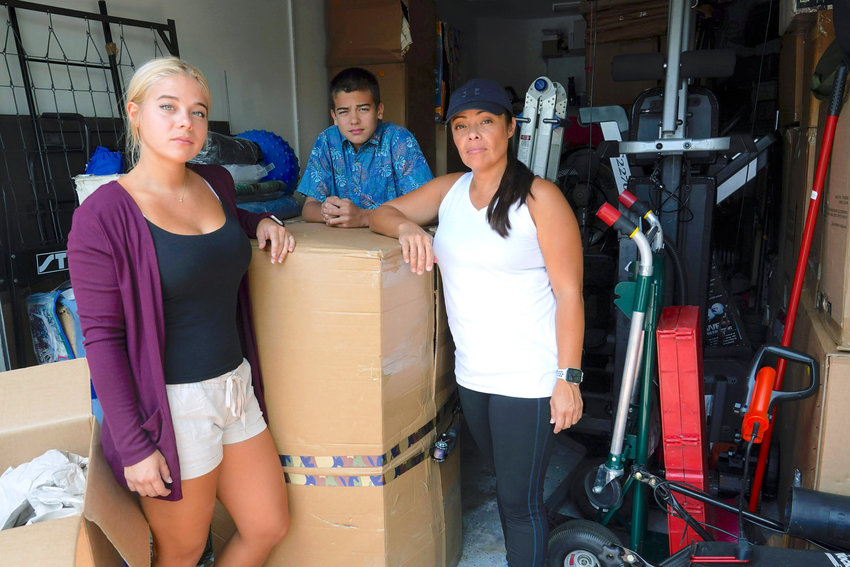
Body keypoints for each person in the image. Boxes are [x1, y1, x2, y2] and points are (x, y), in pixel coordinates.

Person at [67, 57, 292, 567]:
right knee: (183, 550)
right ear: (135, 114)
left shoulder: (215, 183)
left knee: (267, 524)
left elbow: (226, 222)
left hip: (235, 386)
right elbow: (101, 341)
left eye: (197, 111)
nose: (184, 122)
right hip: (172, 408)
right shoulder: (102, 217)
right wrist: (135, 444)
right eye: (167, 108)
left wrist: (262, 222)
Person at [370, 78, 585, 567]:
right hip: (473, 375)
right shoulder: (449, 192)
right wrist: (407, 226)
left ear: (510, 128)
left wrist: (568, 379)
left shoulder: (539, 198)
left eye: (486, 122)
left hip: (527, 378)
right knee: (506, 486)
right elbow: (380, 214)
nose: (473, 135)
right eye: (461, 126)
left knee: (518, 504)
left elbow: (570, 295)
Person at [297, 67, 433, 227]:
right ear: (334, 116)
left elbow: (429, 208)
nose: (354, 120)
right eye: (344, 112)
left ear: (379, 110)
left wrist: (362, 217)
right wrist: (331, 212)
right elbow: (309, 208)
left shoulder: (399, 140)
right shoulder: (327, 141)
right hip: (343, 245)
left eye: (363, 109)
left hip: (391, 241)